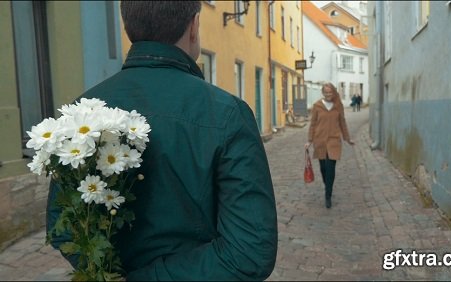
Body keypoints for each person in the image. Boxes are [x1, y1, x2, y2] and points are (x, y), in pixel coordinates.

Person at [46, 1, 278, 280]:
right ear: (194, 26)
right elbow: (249, 252)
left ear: (128, 26)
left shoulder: (82, 112)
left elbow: (63, 228)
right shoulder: (227, 113)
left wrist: (110, 273)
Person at [305, 82, 354, 209]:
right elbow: (313, 124)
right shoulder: (317, 106)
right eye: (326, 92)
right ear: (323, 93)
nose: (328, 94)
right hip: (320, 140)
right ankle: (327, 186)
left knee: (330, 167)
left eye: (330, 92)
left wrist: (347, 138)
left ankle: (328, 195)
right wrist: (309, 140)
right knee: (323, 168)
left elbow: (342, 122)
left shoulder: (338, 106)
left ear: (333, 92)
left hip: (334, 141)